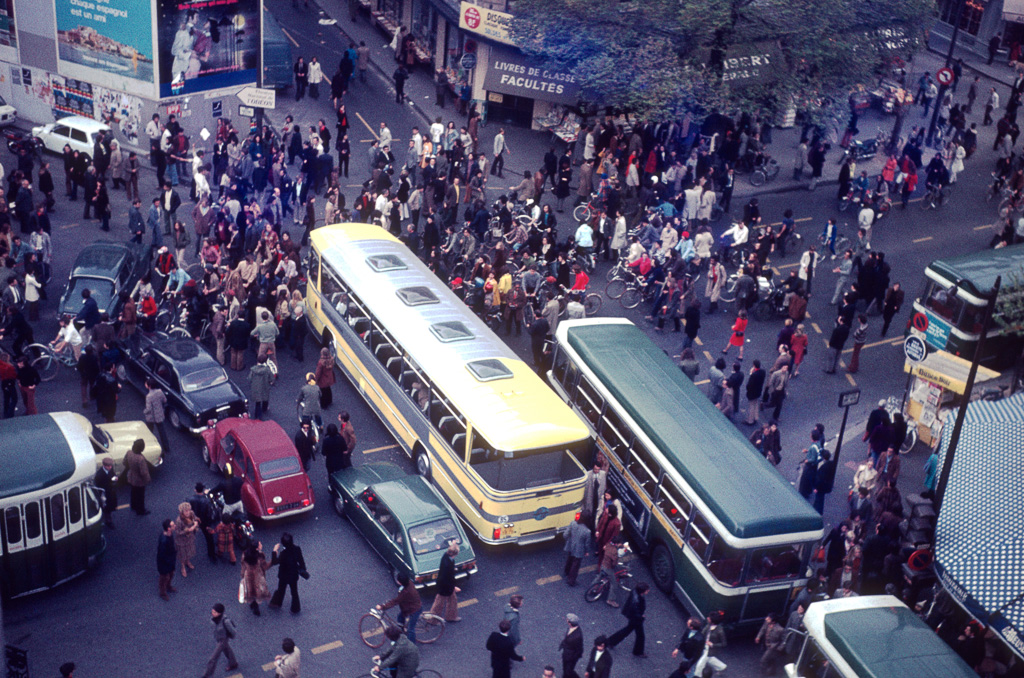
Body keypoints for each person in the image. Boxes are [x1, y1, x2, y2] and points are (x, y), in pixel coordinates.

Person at [607, 581, 650, 658]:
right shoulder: (637, 600)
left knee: (627, 630)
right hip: (636, 619)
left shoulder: (635, 592)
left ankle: (611, 641)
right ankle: (638, 652)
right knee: (640, 635)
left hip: (633, 617)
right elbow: (636, 612)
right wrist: (641, 616)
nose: (648, 591)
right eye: (646, 590)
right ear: (642, 591)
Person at [378, 571, 422, 644]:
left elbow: (396, 601)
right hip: (409, 606)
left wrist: (383, 606)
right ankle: (402, 632)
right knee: (400, 618)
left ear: (401, 582)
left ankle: (411, 645)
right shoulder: (409, 583)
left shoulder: (406, 592)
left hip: (414, 609)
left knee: (411, 630)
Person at [269, 532, 306, 613]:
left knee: (281, 589)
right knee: (294, 592)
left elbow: (275, 562)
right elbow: (301, 561)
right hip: (293, 575)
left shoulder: (283, 554)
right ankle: (295, 608)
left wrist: (275, 550)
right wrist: (303, 569)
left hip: (283, 576)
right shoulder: (297, 549)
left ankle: (277, 603)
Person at [202, 603, 239, 677]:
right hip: (219, 638)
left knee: (213, 658)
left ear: (220, 613)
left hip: (223, 640)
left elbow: (233, 631)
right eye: (212, 611)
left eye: (215, 612)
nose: (212, 613)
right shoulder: (214, 619)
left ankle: (207, 675)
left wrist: (227, 638)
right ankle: (233, 663)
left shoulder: (226, 621)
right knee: (227, 650)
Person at [430, 541, 461, 621]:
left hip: (445, 586)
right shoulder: (448, 563)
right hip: (445, 587)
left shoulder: (446, 556)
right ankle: (433, 619)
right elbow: (447, 578)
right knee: (439, 604)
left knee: (451, 601)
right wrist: (453, 587)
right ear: (455, 554)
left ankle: (451, 617)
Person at [241, 542, 272, 615]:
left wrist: (242, 574)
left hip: (248, 575)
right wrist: (272, 561)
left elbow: (243, 565)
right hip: (257, 576)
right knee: (257, 591)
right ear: (257, 548)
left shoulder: (245, 553)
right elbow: (265, 567)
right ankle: (256, 607)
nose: (261, 545)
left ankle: (252, 603)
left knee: (250, 590)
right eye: (260, 544)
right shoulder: (260, 555)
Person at [563, 512, 591, 587]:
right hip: (579, 549)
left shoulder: (573, 523)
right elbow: (587, 544)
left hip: (571, 545)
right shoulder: (587, 531)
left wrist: (568, 541)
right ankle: (571, 580)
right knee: (575, 565)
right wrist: (587, 551)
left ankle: (566, 571)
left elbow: (565, 534)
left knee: (569, 559)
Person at [143, 378, 170, 453]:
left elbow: (148, 409)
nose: (145, 384)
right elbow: (164, 400)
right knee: (162, 432)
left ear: (149, 386)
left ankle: (149, 447)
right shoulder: (160, 392)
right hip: (159, 415)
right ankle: (166, 448)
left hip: (151, 417)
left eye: (146, 383)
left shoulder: (148, 396)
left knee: (149, 432)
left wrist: (144, 411)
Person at [124, 438, 151, 515]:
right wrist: (148, 479)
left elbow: (124, 462)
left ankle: (133, 506)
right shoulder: (140, 459)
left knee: (133, 492)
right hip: (139, 480)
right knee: (140, 496)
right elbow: (144, 472)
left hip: (131, 476)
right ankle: (140, 511)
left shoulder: (129, 452)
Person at [157, 518, 177, 600]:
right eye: (173, 525)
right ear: (169, 528)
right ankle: (162, 593)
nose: (175, 526)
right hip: (164, 563)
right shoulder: (163, 541)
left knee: (171, 574)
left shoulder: (170, 534)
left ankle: (168, 586)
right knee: (164, 578)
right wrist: (169, 561)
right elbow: (162, 555)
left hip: (170, 560)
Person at [94, 456, 117, 527]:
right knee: (106, 508)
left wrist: (114, 478)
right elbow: (98, 486)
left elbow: (113, 475)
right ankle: (108, 522)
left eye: (110, 466)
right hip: (104, 494)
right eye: (108, 466)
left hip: (110, 492)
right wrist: (112, 480)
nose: (110, 467)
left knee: (109, 506)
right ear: (103, 465)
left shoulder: (110, 469)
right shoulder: (99, 475)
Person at [248, 354, 273, 420]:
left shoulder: (253, 369)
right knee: (265, 398)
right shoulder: (267, 370)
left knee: (258, 402)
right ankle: (264, 409)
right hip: (264, 387)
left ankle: (257, 416)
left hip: (256, 387)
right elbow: (271, 379)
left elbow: (250, 378)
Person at [560, 613, 584, 678]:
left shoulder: (577, 636)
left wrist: (572, 658)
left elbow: (579, 649)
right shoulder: (571, 628)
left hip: (571, 657)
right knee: (565, 669)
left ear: (570, 623)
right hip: (567, 654)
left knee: (569, 671)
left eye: (567, 620)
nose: (566, 620)